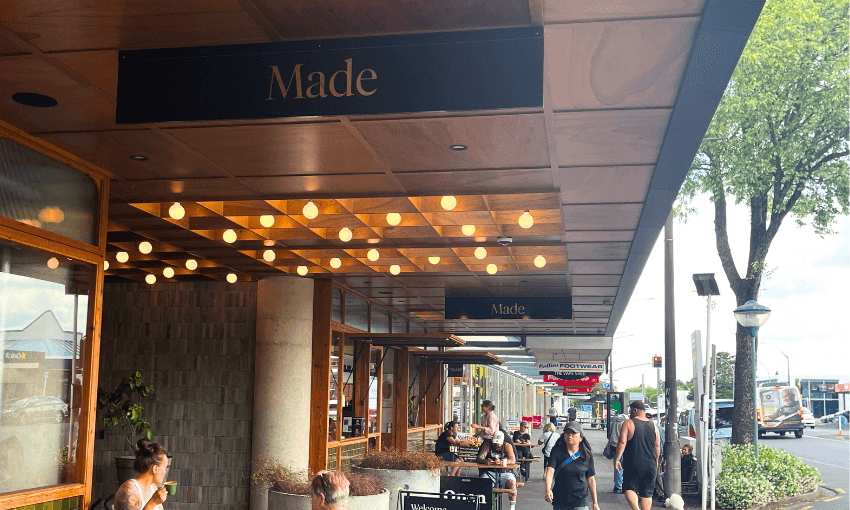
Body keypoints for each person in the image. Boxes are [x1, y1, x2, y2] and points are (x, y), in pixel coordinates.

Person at [614, 401, 660, 510]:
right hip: (650, 464)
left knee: (629, 488)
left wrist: (617, 458)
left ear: (635, 410)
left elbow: (622, 442)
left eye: (630, 410)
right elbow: (657, 446)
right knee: (647, 492)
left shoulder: (628, 423)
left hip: (633, 462)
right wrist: (656, 461)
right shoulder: (654, 425)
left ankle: (636, 508)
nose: (630, 413)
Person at [544, 421, 599, 510]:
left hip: (580, 500)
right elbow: (550, 471)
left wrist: (595, 503)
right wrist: (547, 489)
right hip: (560, 499)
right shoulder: (557, 451)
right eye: (567, 432)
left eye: (573, 433)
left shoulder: (586, 455)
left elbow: (591, 479)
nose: (570, 435)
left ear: (581, 437)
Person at [114, 439, 169, 510]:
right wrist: (153, 502)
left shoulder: (153, 488)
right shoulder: (129, 491)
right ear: (155, 469)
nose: (165, 472)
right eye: (165, 467)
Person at [477, 431, 517, 510]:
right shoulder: (487, 445)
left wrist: (502, 462)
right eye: (495, 443)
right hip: (490, 472)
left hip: (505, 472)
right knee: (482, 484)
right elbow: (479, 458)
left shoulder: (507, 446)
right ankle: (484, 506)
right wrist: (486, 461)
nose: (497, 445)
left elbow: (513, 460)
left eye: (498, 444)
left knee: (512, 484)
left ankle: (512, 507)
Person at [608, 412, 628, 493]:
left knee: (617, 467)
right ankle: (622, 485)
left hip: (613, 446)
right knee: (624, 467)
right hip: (623, 446)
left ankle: (617, 486)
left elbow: (610, 433)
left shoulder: (614, 421)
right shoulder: (626, 423)